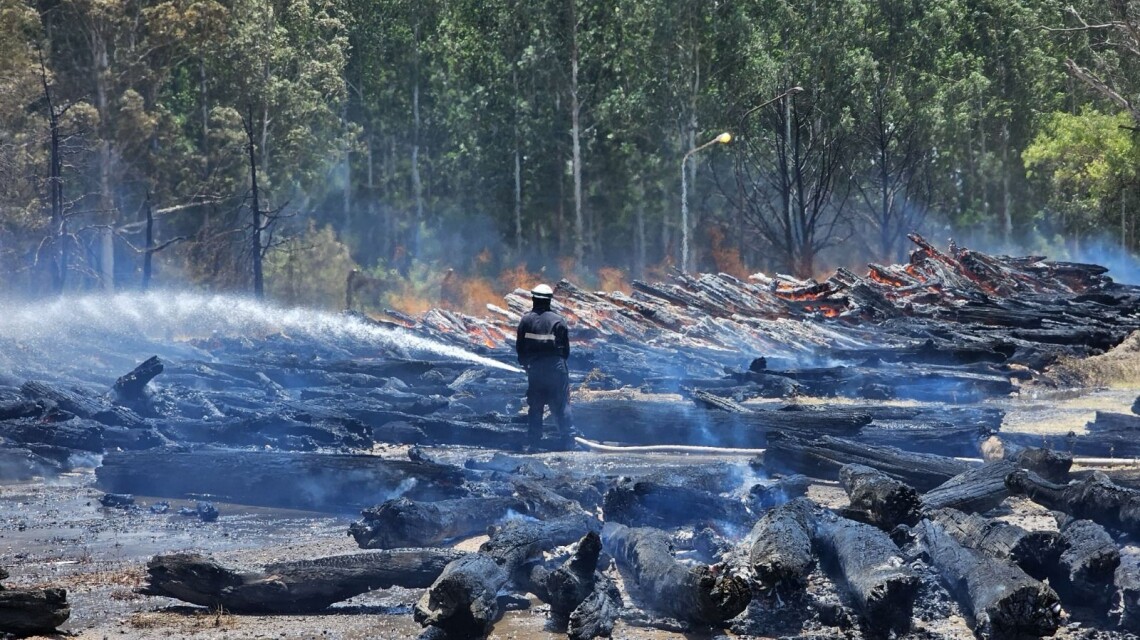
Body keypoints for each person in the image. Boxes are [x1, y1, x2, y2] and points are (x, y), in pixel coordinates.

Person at [516, 283, 576, 447]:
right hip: (556, 368)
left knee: (535, 406)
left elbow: (520, 349)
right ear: (549, 301)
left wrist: (526, 365)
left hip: (535, 370)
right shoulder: (558, 321)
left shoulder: (526, 320)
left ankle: (534, 443)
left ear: (534, 299)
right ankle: (568, 441)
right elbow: (565, 352)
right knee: (562, 405)